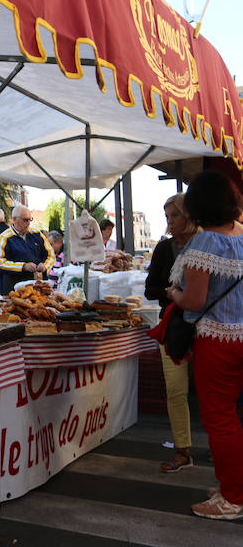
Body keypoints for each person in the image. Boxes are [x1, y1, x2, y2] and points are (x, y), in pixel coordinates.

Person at [166, 171, 243, 520]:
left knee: (220, 419)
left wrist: (173, 293)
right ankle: (233, 484)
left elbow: (194, 301)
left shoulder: (205, 243)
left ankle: (233, 497)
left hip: (218, 339)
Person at [145, 193, 198, 474]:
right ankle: (183, 450)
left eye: (174, 215)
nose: (170, 222)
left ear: (189, 214)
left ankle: (223, 448)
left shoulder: (209, 242)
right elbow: (150, 288)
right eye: (167, 216)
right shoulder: (165, 249)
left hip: (208, 327)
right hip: (174, 325)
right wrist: (173, 293)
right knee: (176, 390)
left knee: (215, 394)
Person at [0, 204, 55, 294]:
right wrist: (23, 267)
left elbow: (51, 255)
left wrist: (45, 266)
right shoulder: (4, 237)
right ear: (14, 219)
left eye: (30, 219)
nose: (29, 223)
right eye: (25, 220)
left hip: (37, 286)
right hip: (14, 288)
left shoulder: (37, 234)